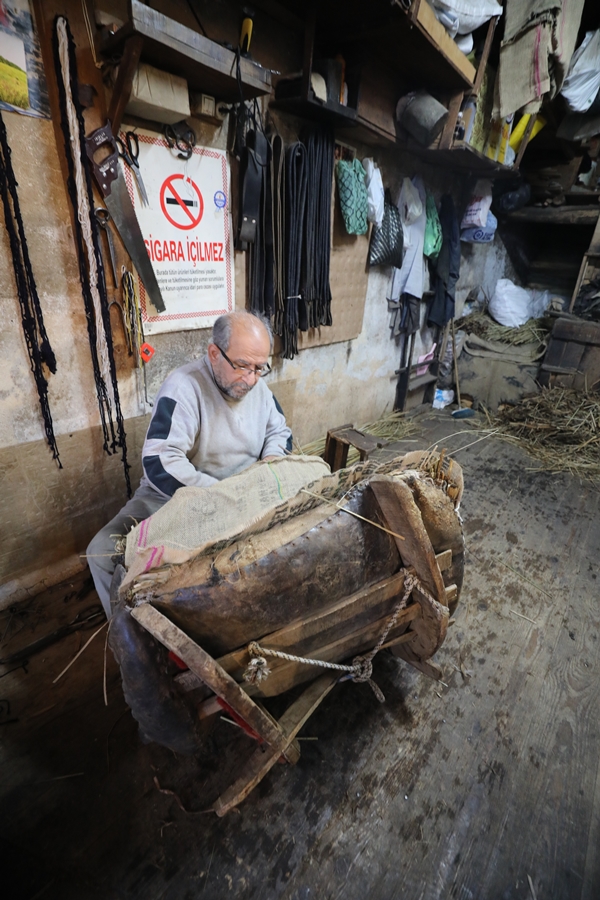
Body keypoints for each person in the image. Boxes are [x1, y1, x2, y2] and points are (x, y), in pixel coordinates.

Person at [87, 310, 292, 617]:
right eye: (241, 366)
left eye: (259, 368)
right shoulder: (184, 386)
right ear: (214, 353)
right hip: (174, 497)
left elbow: (280, 432)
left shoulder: (256, 386)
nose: (250, 379)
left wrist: (269, 468)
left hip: (244, 494)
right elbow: (160, 461)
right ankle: (130, 637)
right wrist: (221, 495)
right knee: (101, 553)